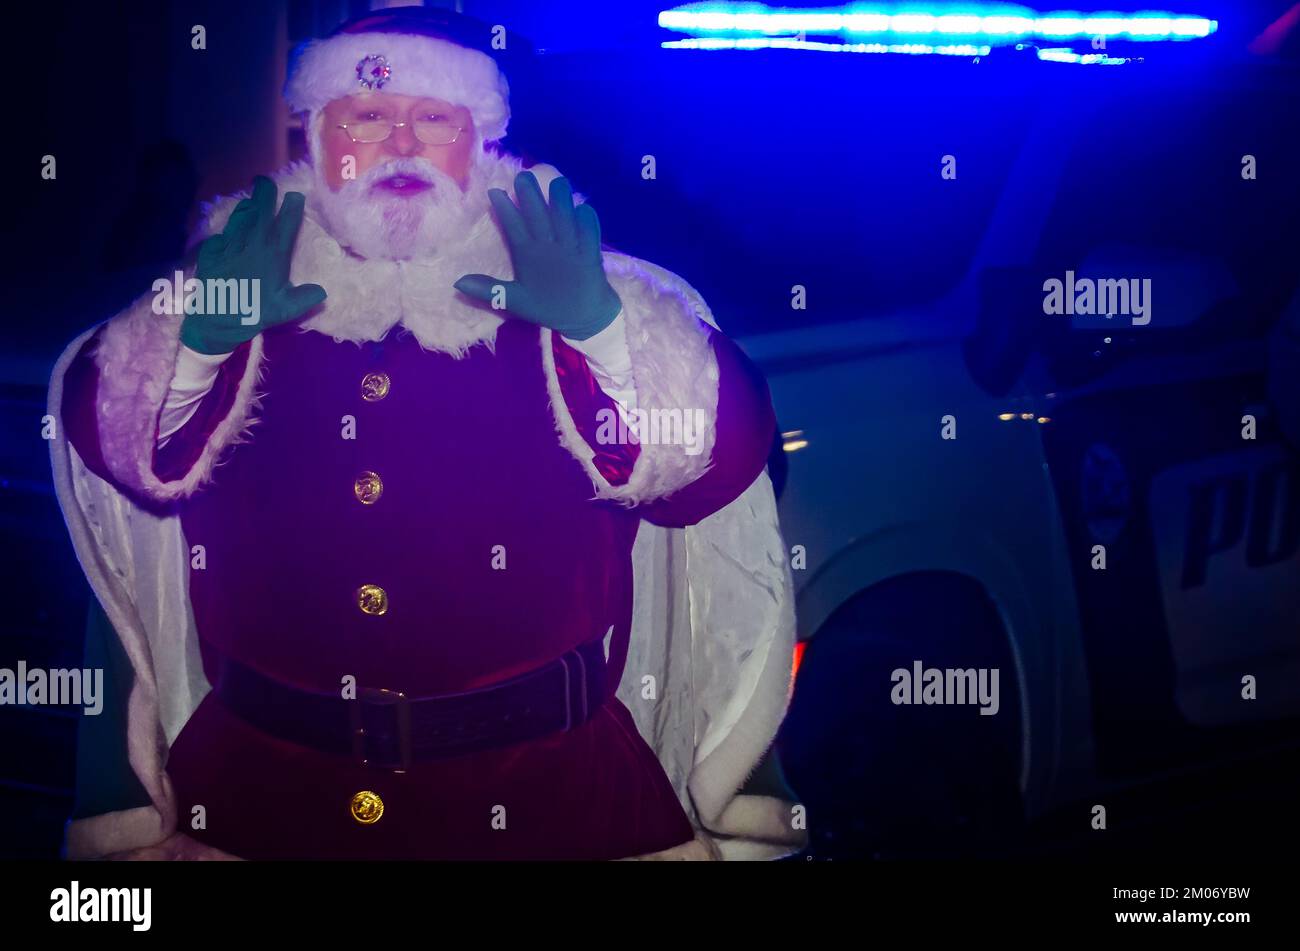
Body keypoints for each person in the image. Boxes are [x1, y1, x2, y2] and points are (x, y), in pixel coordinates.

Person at [48, 7, 803, 861]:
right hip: (264, 800)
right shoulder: (237, 275)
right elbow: (111, 445)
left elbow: (717, 465)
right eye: (368, 116)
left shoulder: (576, 282)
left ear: (477, 137)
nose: (401, 143)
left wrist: (601, 331)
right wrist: (202, 340)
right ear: (315, 132)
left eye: (435, 118)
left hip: (549, 801)